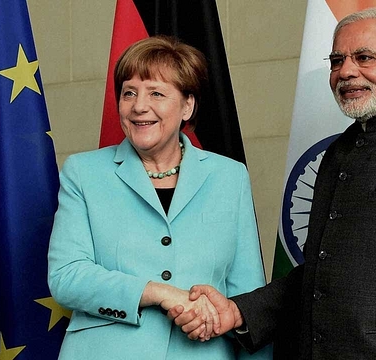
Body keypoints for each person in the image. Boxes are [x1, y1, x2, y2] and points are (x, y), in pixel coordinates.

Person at [169, 7, 376, 360]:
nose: (346, 71)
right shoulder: (338, 153)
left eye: (364, 57)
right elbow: (321, 272)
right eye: (336, 60)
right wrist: (239, 312)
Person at [47, 35, 271, 360]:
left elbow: (248, 298)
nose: (139, 106)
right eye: (129, 93)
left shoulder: (229, 177)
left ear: (187, 105)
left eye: (156, 93)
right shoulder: (83, 172)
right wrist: (158, 292)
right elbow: (66, 276)